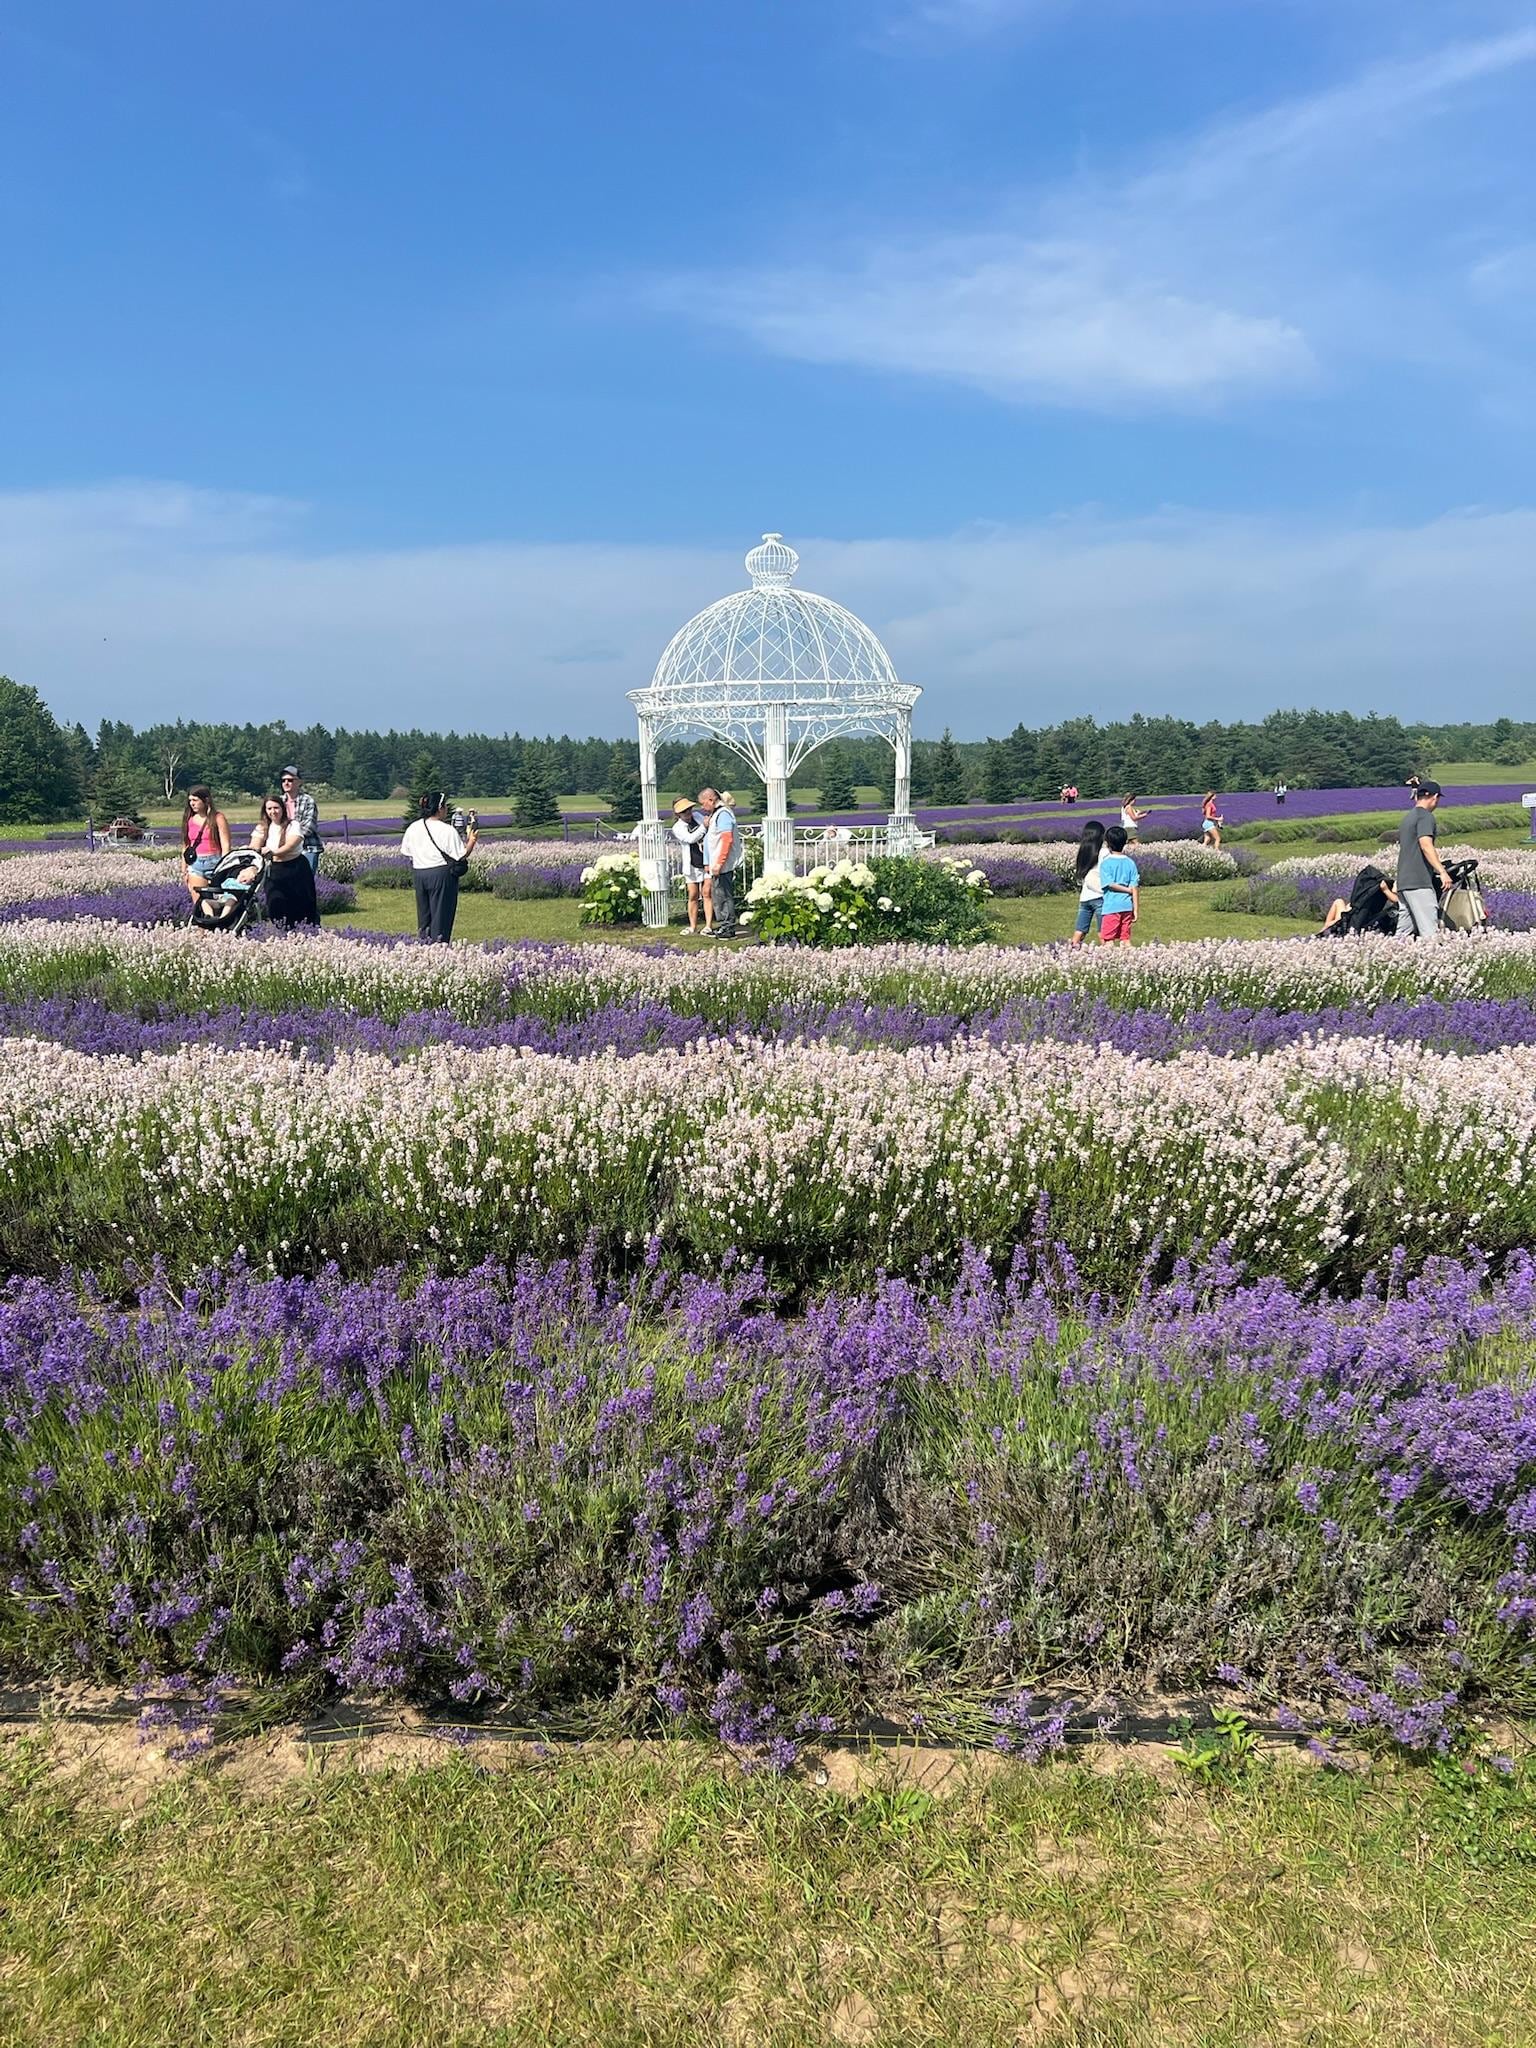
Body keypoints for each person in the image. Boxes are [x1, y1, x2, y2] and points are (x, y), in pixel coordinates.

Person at [402, 790, 478, 943]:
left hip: (419, 874)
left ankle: (424, 946)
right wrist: (472, 841)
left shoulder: (413, 827)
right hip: (441, 875)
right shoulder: (447, 830)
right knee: (441, 917)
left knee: (424, 917)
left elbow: (407, 852)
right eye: (445, 806)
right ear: (440, 808)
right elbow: (461, 855)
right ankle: (439, 948)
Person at [1395, 781, 1454, 940]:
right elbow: (1425, 845)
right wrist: (1442, 871)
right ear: (1434, 797)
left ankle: (1388, 961)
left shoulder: (1409, 817)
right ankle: (1437, 961)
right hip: (1419, 881)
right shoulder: (1425, 817)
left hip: (1404, 881)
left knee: (1403, 934)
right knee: (1430, 932)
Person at [250, 795, 320, 927]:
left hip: (296, 869)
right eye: (269, 808)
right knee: (276, 904)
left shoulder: (293, 825)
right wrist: (254, 850)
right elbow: (255, 844)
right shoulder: (262, 827)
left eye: (276, 808)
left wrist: (273, 852)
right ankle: (281, 932)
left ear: (282, 808)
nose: (273, 812)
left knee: (302, 905)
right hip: (274, 870)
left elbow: (290, 845)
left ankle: (307, 931)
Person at [699, 786, 741, 938]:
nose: (702, 807)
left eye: (703, 803)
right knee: (718, 895)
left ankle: (728, 926)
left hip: (722, 863)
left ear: (711, 800)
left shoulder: (723, 814)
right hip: (717, 863)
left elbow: (726, 839)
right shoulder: (717, 814)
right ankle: (724, 924)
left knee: (724, 894)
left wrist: (719, 862)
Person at [180, 785, 231, 900]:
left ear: (206, 800)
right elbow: (186, 845)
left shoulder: (218, 817)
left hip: (215, 861)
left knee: (219, 900)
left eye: (195, 800)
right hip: (195, 863)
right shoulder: (189, 820)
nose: (192, 804)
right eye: (190, 801)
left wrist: (225, 866)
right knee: (199, 901)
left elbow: (225, 844)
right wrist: (184, 868)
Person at [1321, 864, 1399, 937]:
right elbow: (1395, 892)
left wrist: (1386, 889)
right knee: (1339, 902)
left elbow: (1395, 896)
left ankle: (1326, 927)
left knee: (1337, 909)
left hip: (1350, 917)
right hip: (1353, 913)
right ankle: (1326, 927)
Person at [672, 796, 711, 934]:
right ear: (678, 814)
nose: (688, 814)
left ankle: (708, 926)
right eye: (684, 812)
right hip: (692, 863)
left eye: (689, 810)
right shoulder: (677, 828)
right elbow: (690, 838)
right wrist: (703, 827)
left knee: (707, 893)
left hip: (706, 861)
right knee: (693, 895)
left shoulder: (698, 816)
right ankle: (693, 926)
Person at [1097, 825, 1139, 945]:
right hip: (1126, 906)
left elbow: (1110, 884)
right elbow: (1135, 888)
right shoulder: (1130, 863)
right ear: (1125, 842)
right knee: (1125, 940)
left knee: (1108, 940)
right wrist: (1135, 909)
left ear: (1108, 844)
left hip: (1111, 907)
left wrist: (1127, 890)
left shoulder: (1106, 863)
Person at [280, 766, 323, 876]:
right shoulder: (279, 802)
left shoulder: (308, 801)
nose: (286, 783)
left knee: (305, 882)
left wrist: (288, 839)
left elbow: (308, 828)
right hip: (284, 849)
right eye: (283, 780)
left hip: (307, 848)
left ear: (299, 782)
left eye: (290, 780)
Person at [1070, 820, 1105, 947]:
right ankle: (1107, 955)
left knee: (1080, 930)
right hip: (1100, 896)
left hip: (1085, 897)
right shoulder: (1104, 852)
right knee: (1103, 933)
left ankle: (1071, 952)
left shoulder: (1083, 852)